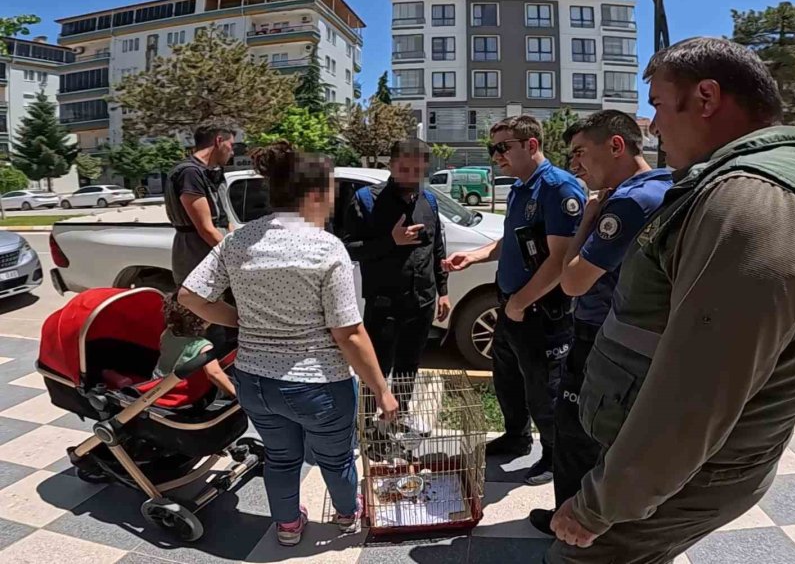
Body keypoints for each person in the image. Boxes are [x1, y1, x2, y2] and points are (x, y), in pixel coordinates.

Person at [546, 37, 795, 563]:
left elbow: (697, 388)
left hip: (695, 467)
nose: (652, 127)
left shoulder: (753, 200)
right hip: (690, 462)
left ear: (706, 98)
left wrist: (600, 505)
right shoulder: (755, 183)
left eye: (656, 105)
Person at [178, 142, 399, 547]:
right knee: (336, 458)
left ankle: (287, 526)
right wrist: (381, 390)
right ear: (313, 194)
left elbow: (190, 297)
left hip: (255, 382)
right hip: (319, 385)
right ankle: (348, 515)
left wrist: (238, 319)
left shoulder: (238, 240)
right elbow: (348, 333)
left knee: (281, 457)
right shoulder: (326, 247)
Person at [528, 111, 672, 535]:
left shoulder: (626, 201)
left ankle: (570, 527)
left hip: (603, 336)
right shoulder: (664, 184)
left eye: (580, 153)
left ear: (616, 146)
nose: (576, 166)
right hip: (636, 338)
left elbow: (572, 282)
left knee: (575, 436)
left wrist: (588, 219)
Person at [443, 115, 586, 486]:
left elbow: (559, 259)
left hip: (540, 310)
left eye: (502, 148)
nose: (495, 156)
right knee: (507, 378)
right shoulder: (522, 188)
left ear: (532, 145)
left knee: (545, 388)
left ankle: (556, 456)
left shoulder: (559, 189)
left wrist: (520, 303)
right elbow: (514, 239)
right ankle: (517, 437)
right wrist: (476, 256)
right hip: (512, 303)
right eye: (493, 149)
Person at [342, 138, 450, 418]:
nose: (412, 177)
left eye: (418, 170)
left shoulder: (429, 200)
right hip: (384, 305)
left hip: (422, 302)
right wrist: (391, 241)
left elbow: (437, 247)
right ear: (391, 165)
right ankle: (369, 428)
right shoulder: (366, 200)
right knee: (375, 370)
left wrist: (444, 290)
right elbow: (348, 248)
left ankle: (396, 421)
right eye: (405, 169)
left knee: (408, 368)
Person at [165, 122, 235, 287]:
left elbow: (224, 219)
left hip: (215, 251)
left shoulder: (209, 172)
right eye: (230, 145)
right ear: (219, 141)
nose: (232, 152)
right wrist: (235, 258)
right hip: (198, 255)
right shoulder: (190, 173)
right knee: (203, 309)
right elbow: (206, 229)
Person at [152, 293, 236, 398]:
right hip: (179, 394)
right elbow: (214, 374)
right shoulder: (203, 346)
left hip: (155, 386)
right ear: (204, 319)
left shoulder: (167, 333)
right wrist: (235, 394)